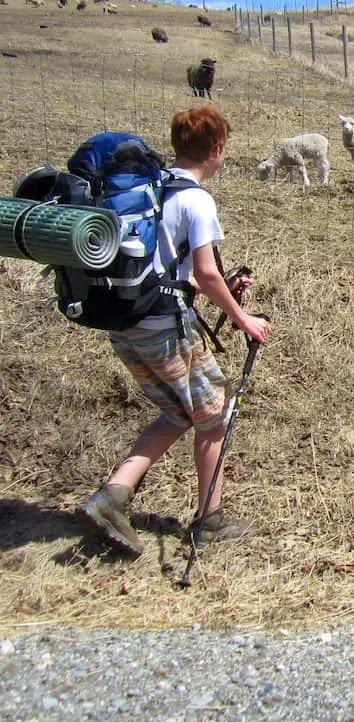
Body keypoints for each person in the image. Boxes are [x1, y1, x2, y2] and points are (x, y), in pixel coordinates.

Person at [79, 106, 271, 557]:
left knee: (178, 413)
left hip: (126, 323)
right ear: (218, 150)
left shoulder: (153, 188)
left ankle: (113, 496)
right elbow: (205, 274)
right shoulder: (197, 199)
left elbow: (165, 270)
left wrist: (222, 288)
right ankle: (211, 520)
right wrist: (244, 319)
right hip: (165, 329)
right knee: (216, 415)